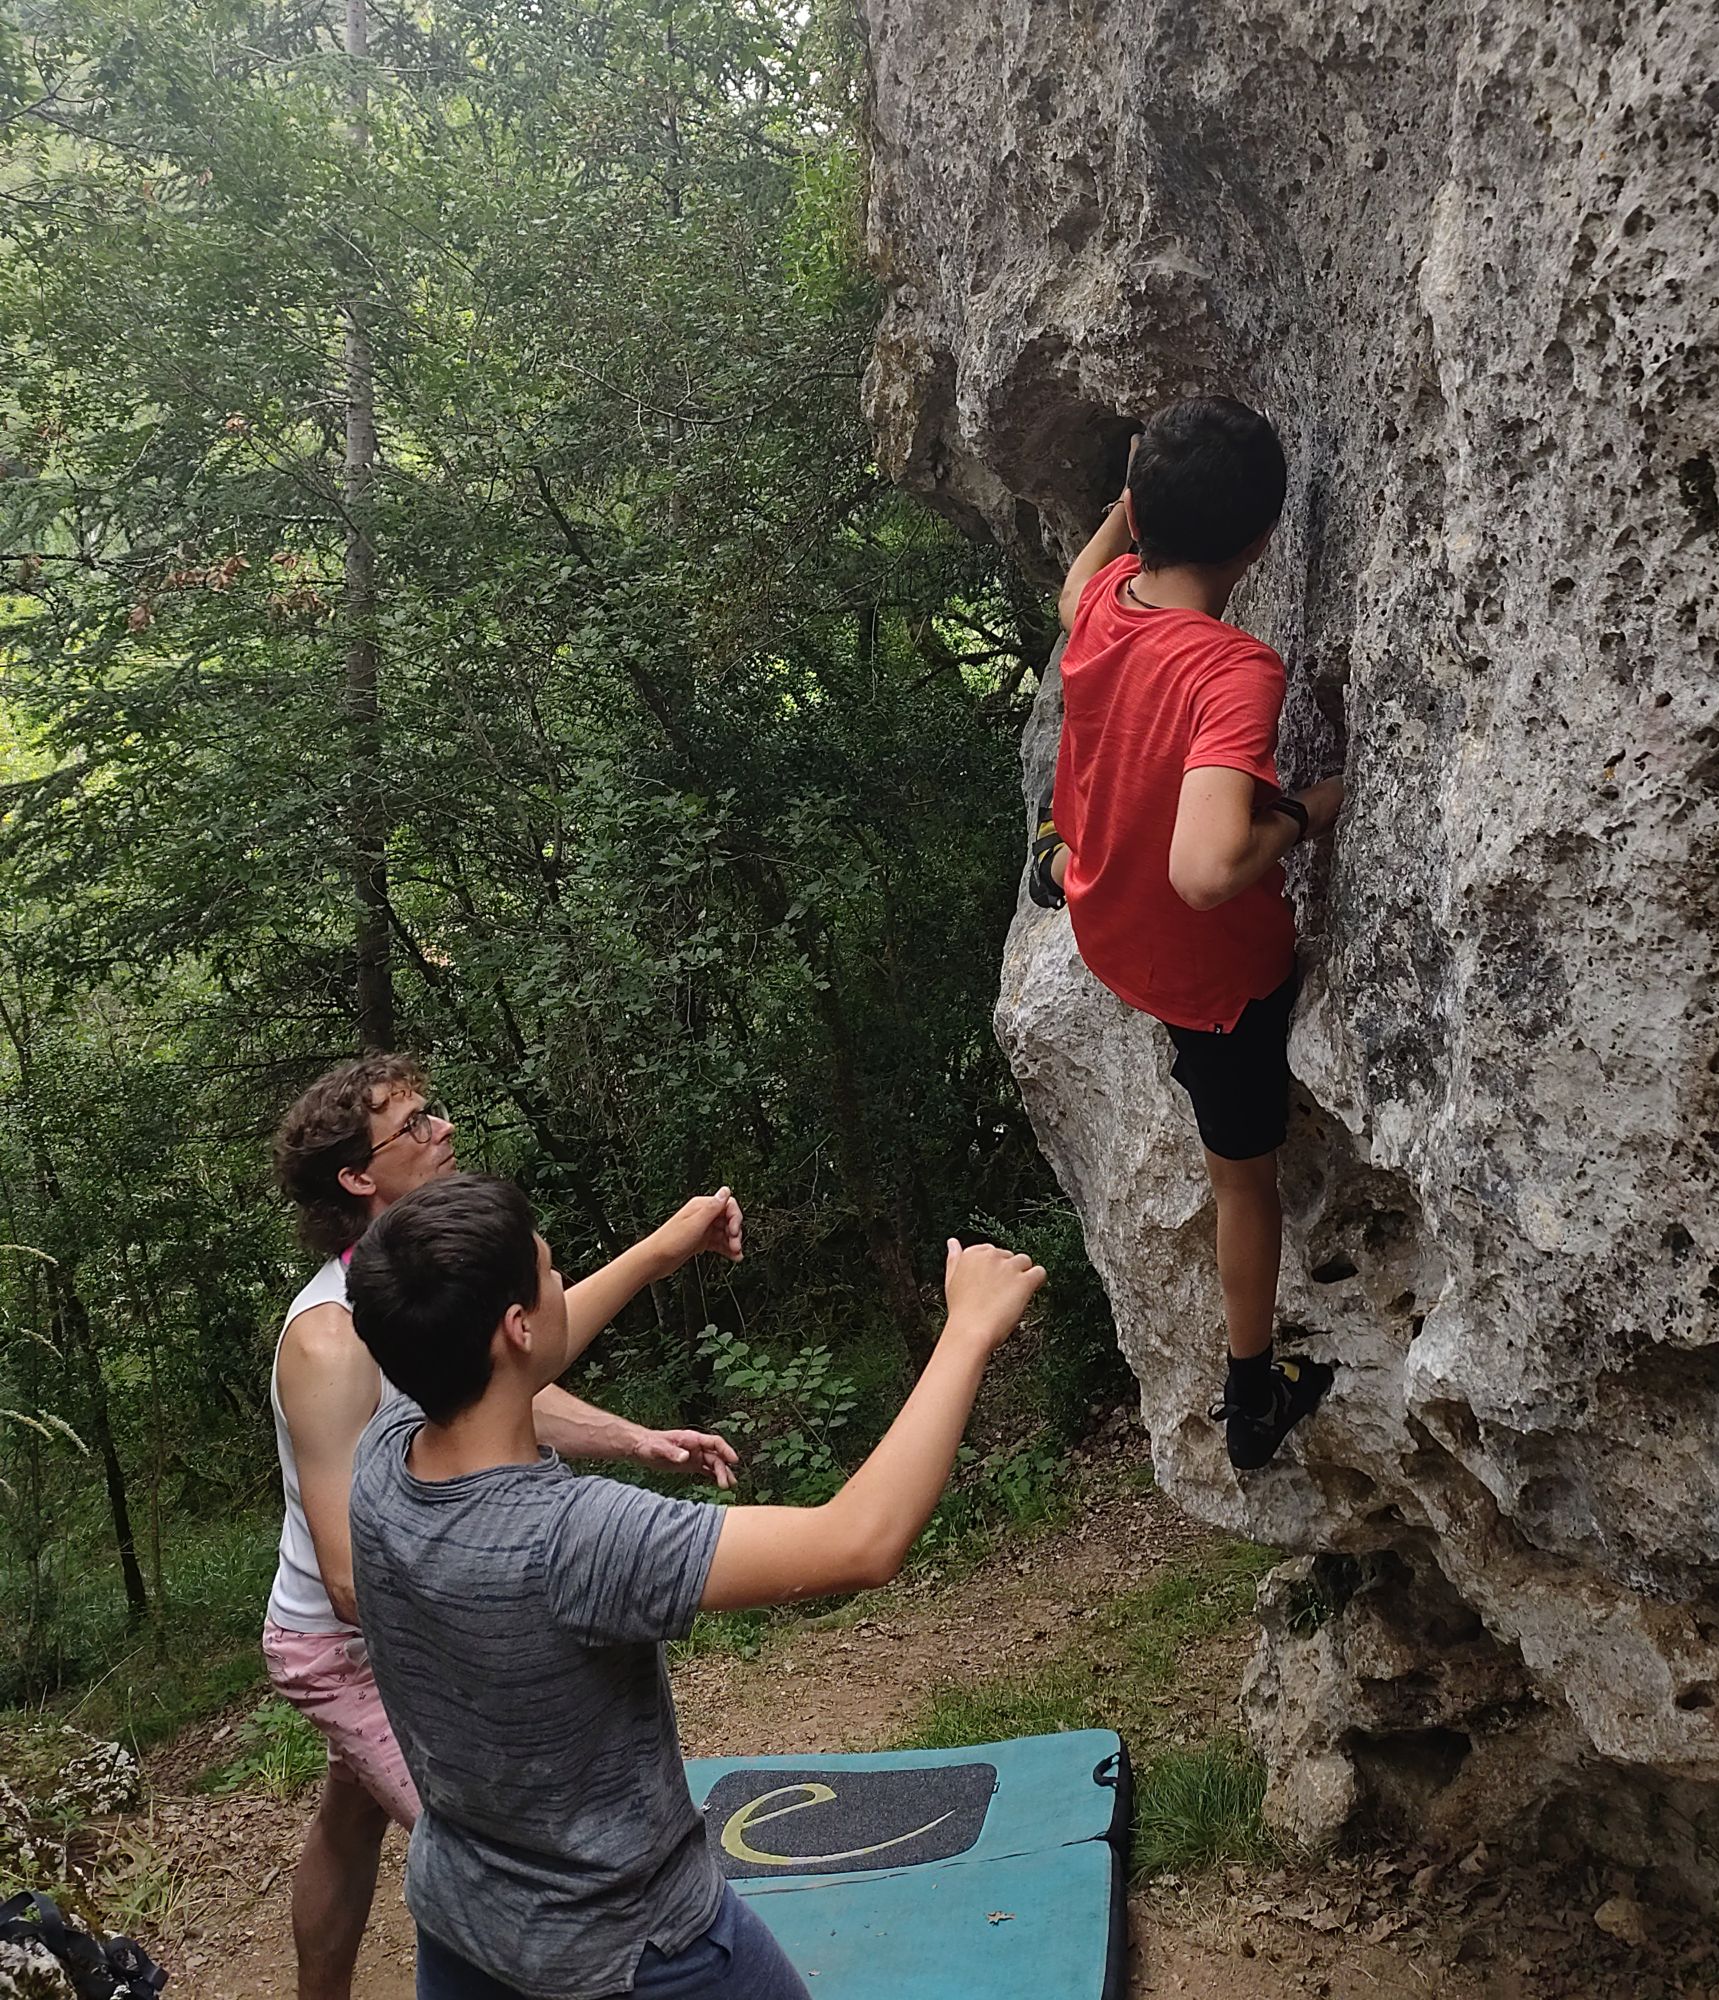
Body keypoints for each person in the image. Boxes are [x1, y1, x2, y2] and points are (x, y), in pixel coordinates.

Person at [343, 1174, 1045, 2000]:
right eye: (551, 1271)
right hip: (641, 1952)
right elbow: (860, 1541)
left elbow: (510, 1366)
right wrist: (966, 1330)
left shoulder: (381, 1459)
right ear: (517, 1325)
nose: (564, 1281)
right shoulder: (573, 1540)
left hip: (465, 1930)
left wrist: (658, 1254)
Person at [263, 1054, 742, 2000]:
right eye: (414, 1125)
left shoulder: (418, 1283)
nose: (442, 1130)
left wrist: (633, 1438)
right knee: (500, 1860)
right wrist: (500, 1596)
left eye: (433, 1113)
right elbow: (356, 1578)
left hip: (417, 1595)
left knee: (350, 1818)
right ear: (358, 1178)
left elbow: (504, 1380)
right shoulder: (327, 1341)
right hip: (356, 1638)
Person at [1028, 397, 1345, 1473]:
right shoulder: (1229, 669)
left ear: (1138, 511)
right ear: (1259, 542)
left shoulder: (1105, 601)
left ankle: (1054, 846)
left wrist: (1120, 517)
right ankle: (1252, 1394)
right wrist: (1305, 810)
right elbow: (1205, 869)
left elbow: (1075, 582)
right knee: (1238, 1181)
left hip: (1102, 922)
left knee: (1082, 773)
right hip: (1212, 979)